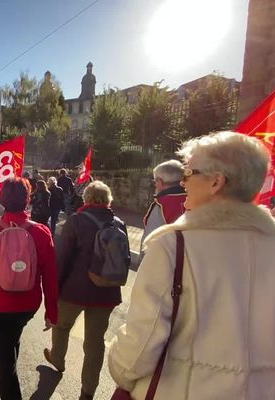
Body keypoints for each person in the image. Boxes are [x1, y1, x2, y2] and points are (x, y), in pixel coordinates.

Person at [108, 131, 275, 399]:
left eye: (189, 174)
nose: (183, 183)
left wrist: (118, 364)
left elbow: (140, 347)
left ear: (216, 182)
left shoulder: (173, 244)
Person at [0, 177, 58, 400]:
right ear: (28, 200)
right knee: (11, 343)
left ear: (2, 200)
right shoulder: (41, 232)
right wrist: (51, 312)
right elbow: (51, 276)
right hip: (26, 305)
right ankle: (6, 377)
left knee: (4, 359)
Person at [44, 181, 127, 400]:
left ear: (86, 199)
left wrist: (53, 289)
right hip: (107, 292)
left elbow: (61, 259)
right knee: (95, 342)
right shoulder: (119, 223)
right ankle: (88, 390)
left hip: (74, 291)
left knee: (61, 327)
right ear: (108, 200)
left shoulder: (76, 221)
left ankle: (58, 360)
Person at [139, 160, 186, 259]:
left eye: (155, 181)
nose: (155, 184)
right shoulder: (196, 200)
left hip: (166, 262)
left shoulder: (161, 205)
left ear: (160, 182)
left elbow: (150, 240)